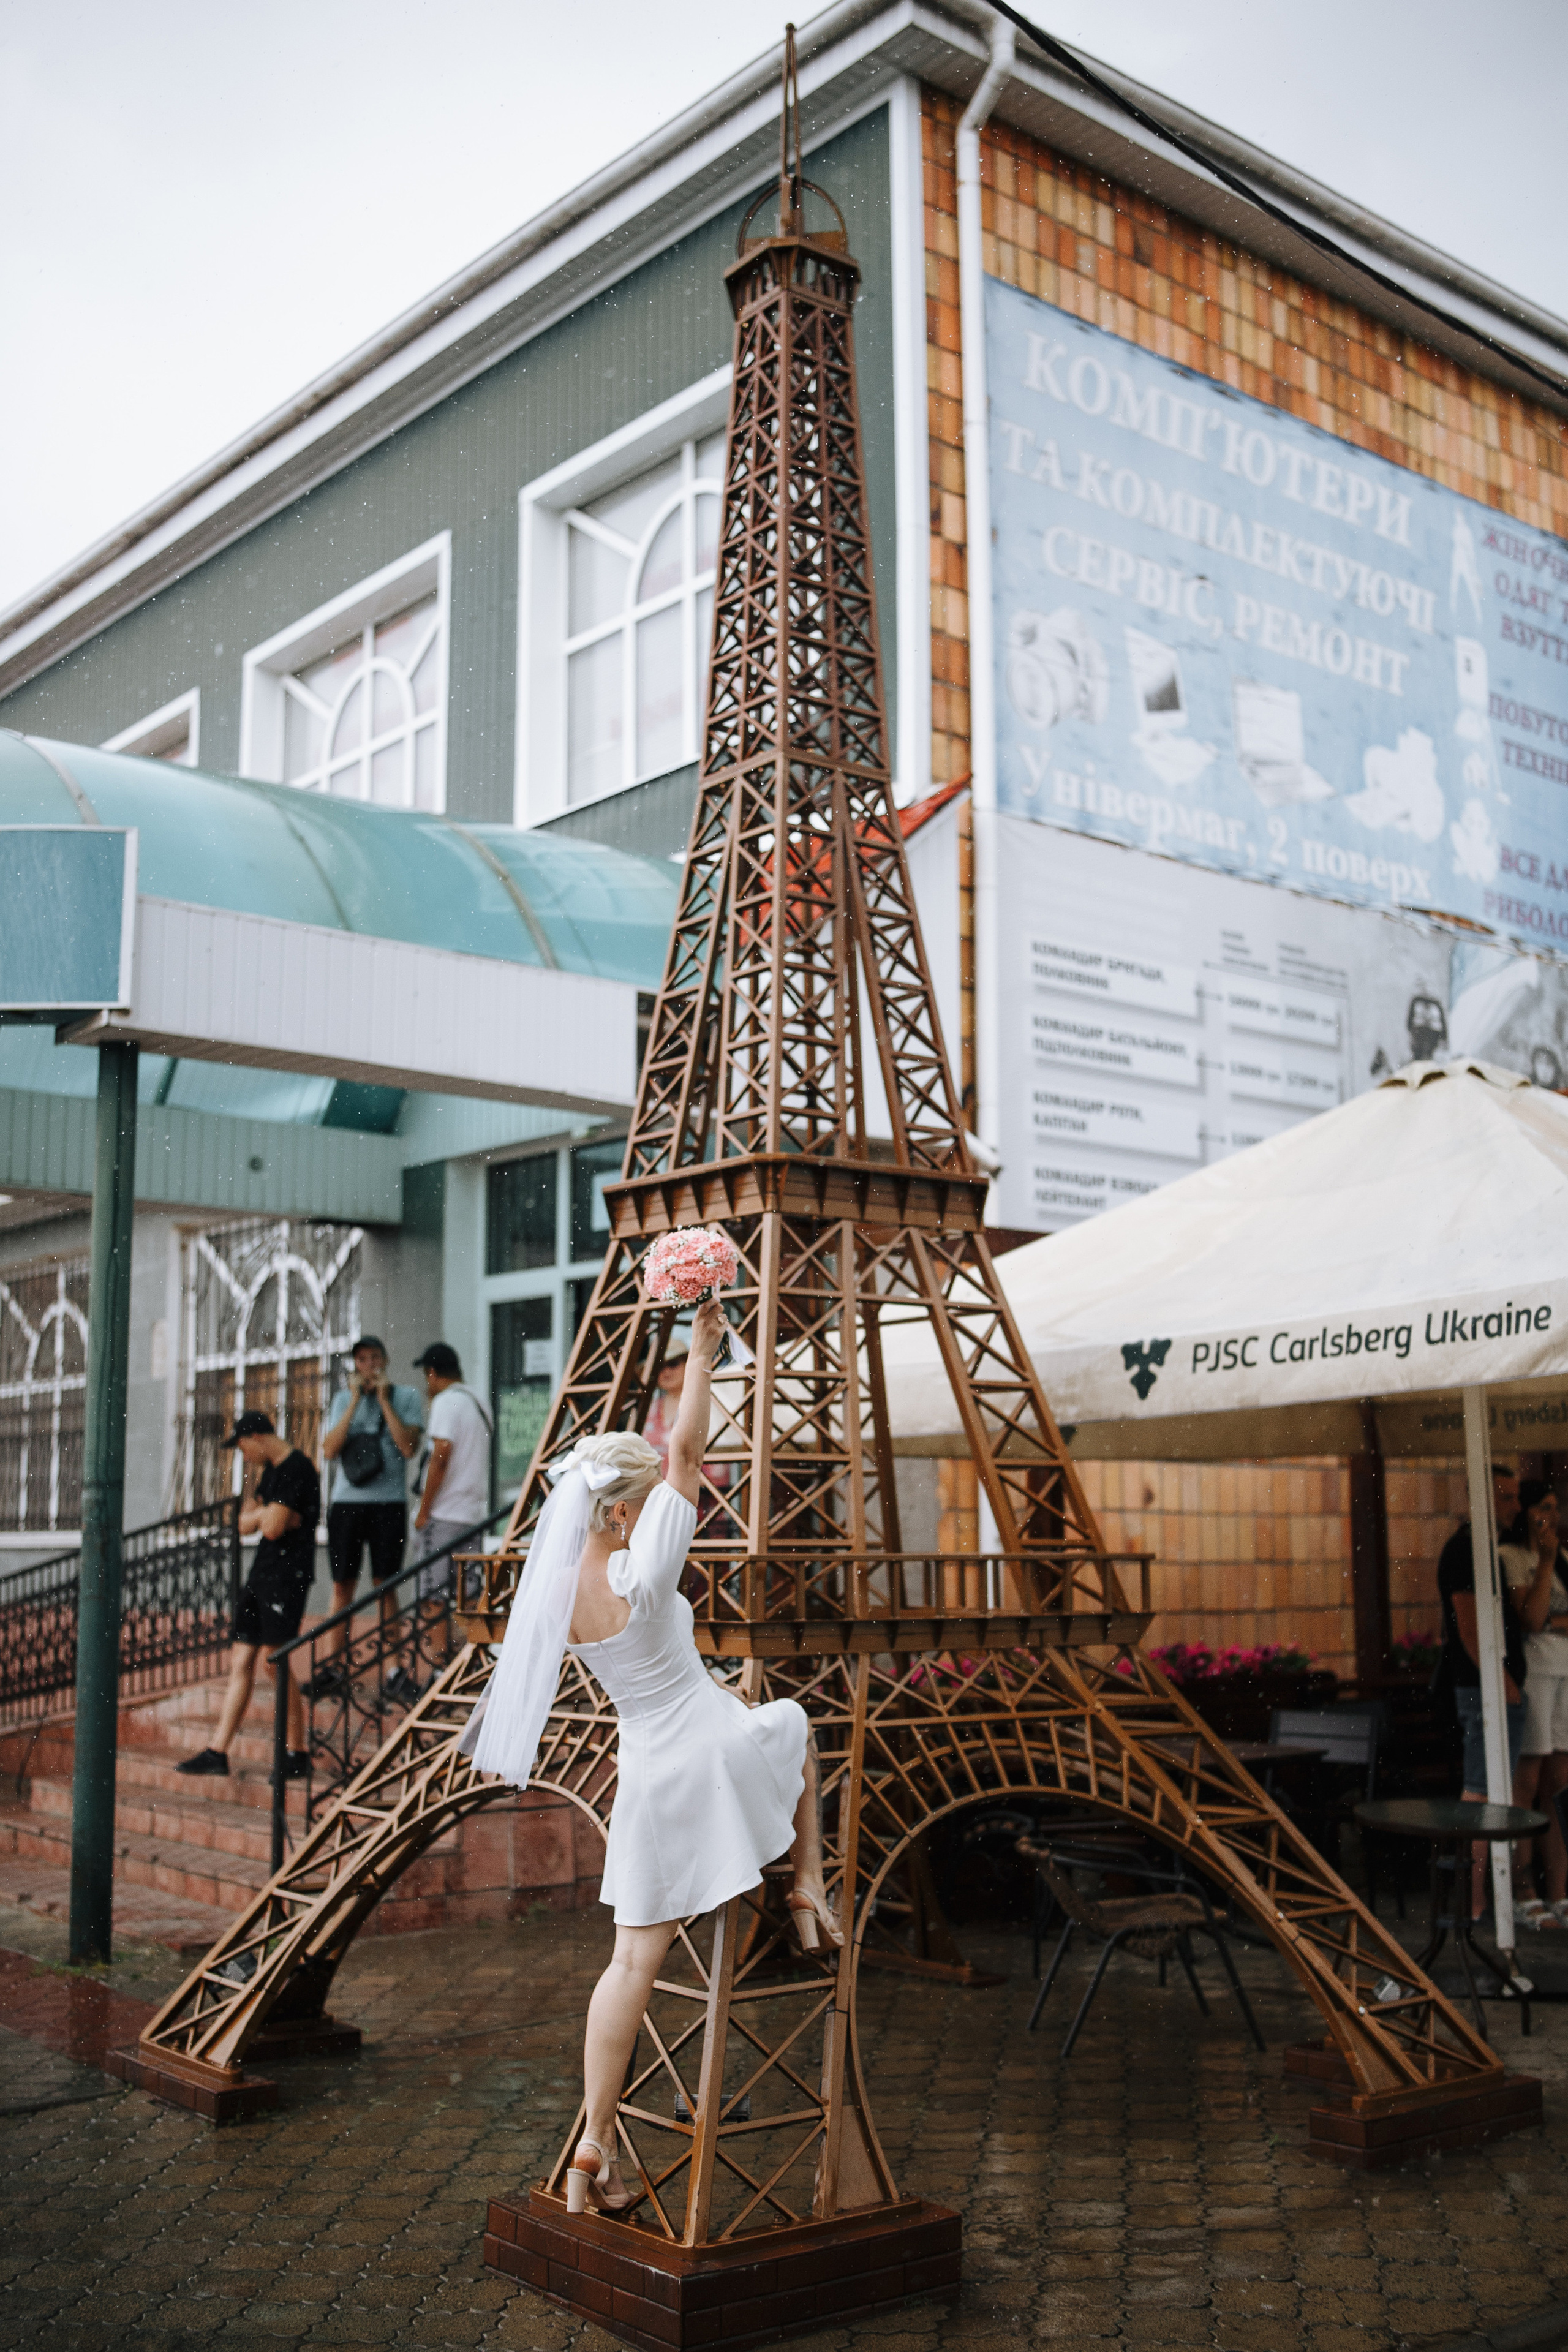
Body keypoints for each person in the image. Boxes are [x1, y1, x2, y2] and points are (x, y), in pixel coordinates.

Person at [460, 1297, 838, 2217]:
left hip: (648, 1774)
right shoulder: (641, 1564)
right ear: (621, 1509)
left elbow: (643, 1670)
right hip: (707, 1755)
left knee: (628, 1966)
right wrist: (703, 1355)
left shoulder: (558, 1594)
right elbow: (690, 1455)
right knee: (796, 1725)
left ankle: (592, 2147)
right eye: (636, 1507)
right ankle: (809, 1884)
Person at [177, 1411, 320, 1779]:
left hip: (287, 1577)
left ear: (255, 1436)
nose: (243, 1456)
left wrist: (267, 1517)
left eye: (242, 1447)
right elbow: (244, 1523)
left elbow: (270, 1528)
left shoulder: (297, 1469)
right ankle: (217, 1752)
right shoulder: (272, 1472)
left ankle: (297, 1751)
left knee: (275, 1662)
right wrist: (266, 1516)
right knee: (241, 1662)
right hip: (261, 1574)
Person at [1435, 1457, 1525, 1917]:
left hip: (1491, 1685)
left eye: (1515, 1497)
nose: (1514, 1507)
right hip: (1483, 1688)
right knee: (1482, 1790)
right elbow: (1468, 1628)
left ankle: (1481, 1899)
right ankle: (1473, 1902)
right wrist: (1504, 1684)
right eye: (1504, 1497)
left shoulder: (1486, 1548)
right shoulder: (1466, 1550)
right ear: (1483, 1500)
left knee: (1492, 1788)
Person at [312, 1336, 423, 1695]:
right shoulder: (344, 1399)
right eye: (362, 1360)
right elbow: (329, 1450)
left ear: (386, 1360)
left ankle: (394, 1670)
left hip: (389, 1502)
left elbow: (408, 1447)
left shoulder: (406, 1397)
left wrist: (385, 1402)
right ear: (356, 1366)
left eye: (375, 1358)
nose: (370, 1365)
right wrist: (357, 1401)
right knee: (342, 1585)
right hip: (348, 1503)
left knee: (385, 1585)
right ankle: (333, 1668)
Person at [391, 1343, 494, 1705]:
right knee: (467, 1594)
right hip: (472, 1515)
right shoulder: (479, 1402)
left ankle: (438, 1669)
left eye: (427, 1376)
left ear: (433, 1373)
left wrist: (424, 1510)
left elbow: (440, 1457)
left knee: (433, 1597)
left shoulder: (446, 1403)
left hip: (444, 1515)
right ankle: (468, 1667)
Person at [1502, 1481, 1568, 1927]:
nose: (1553, 1516)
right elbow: (1530, 1617)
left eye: (1556, 1508)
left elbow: (1550, 1616)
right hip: (1536, 1672)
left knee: (1561, 1781)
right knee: (1528, 1777)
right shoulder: (1515, 1558)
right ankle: (1524, 1889)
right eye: (1544, 1508)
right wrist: (1544, 1562)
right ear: (1526, 1512)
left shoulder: (1564, 1560)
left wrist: (1551, 1619)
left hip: (1565, 1669)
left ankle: (1560, 1891)